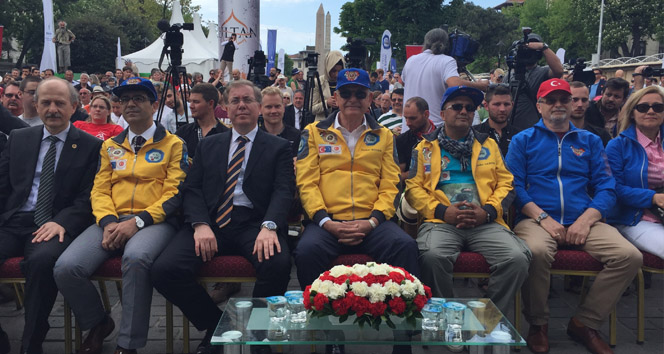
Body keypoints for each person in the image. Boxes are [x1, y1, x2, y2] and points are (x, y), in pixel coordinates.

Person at [152, 79, 294, 354]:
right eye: (235, 101)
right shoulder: (209, 145)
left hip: (254, 223)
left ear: (259, 108)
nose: (241, 105)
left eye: (247, 100)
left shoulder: (278, 147)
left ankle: (257, 333)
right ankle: (219, 324)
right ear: (225, 109)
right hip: (211, 221)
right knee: (164, 270)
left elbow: (283, 190)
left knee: (277, 262)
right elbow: (191, 189)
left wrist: (270, 225)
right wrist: (200, 224)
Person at [505, 79, 642, 354]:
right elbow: (514, 186)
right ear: (539, 106)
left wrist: (587, 218)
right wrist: (543, 218)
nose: (559, 105)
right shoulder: (523, 140)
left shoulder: (590, 140)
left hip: (583, 217)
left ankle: (585, 322)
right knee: (536, 251)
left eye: (564, 100)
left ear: (573, 104)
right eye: (551, 100)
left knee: (629, 256)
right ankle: (538, 324)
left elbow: (606, 185)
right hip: (536, 218)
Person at [54, 77, 188, 354]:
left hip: (154, 221)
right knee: (66, 267)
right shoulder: (110, 146)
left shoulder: (174, 144)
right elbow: (99, 189)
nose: (130, 104)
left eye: (138, 98)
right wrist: (109, 222)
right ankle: (98, 322)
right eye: (124, 100)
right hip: (111, 220)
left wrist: (137, 222)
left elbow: (174, 194)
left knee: (136, 259)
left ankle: (128, 344)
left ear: (153, 105)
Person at [405, 85, 530, 315]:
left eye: (470, 107)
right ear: (442, 114)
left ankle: (485, 319)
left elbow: (507, 184)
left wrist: (489, 212)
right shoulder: (423, 148)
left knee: (517, 258)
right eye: (457, 106)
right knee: (432, 257)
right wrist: (442, 211)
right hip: (441, 222)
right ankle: (446, 319)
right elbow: (413, 188)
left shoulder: (489, 145)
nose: (464, 111)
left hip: (486, 221)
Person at [0, 77, 101, 354]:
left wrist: (62, 222)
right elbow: (3, 185)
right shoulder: (20, 138)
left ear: (74, 107)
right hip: (15, 219)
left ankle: (32, 341)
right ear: (35, 104)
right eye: (45, 102)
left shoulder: (91, 146)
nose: (52, 109)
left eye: (60, 103)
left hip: (56, 222)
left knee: (42, 262)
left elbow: (88, 198)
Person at [294, 67, 420, 289]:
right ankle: (315, 318)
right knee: (306, 252)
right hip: (327, 221)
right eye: (346, 94)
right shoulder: (313, 132)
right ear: (335, 98)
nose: (353, 99)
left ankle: (402, 317)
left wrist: (372, 221)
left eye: (360, 94)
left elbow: (392, 184)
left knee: (405, 246)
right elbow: (306, 183)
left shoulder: (385, 136)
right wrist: (326, 222)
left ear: (370, 98)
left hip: (373, 221)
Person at [606, 86, 664, 258]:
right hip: (635, 218)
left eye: (658, 107)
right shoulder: (617, 146)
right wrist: (653, 198)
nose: (651, 111)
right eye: (643, 107)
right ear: (632, 113)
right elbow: (614, 188)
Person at [402, 28, 488, 132]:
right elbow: (455, 84)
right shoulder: (446, 61)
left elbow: (403, 81)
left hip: (408, 128)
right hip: (433, 130)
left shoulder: (411, 60)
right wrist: (480, 86)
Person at [504, 33, 564, 131]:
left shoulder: (543, 72)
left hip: (534, 128)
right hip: (511, 127)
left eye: (532, 52)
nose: (528, 54)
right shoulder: (510, 75)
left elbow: (559, 71)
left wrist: (543, 47)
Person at [175, 83, 229, 159]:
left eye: (196, 102)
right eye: (190, 101)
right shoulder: (183, 132)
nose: (191, 106)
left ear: (210, 103)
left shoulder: (226, 134)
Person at [473, 84, 520, 157]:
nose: (502, 109)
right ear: (486, 106)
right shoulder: (474, 134)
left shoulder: (520, 136)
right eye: (497, 104)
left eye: (506, 104)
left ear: (512, 105)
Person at [396, 97, 436, 180]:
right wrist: (422, 171)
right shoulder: (401, 140)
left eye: (412, 118)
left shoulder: (441, 137)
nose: (408, 123)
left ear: (426, 114)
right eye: (406, 118)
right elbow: (398, 176)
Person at [260, 86, 301, 157]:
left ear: (283, 108)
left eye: (277, 106)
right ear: (260, 109)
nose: (273, 111)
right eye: (269, 107)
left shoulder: (297, 136)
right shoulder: (254, 138)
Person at [568, 81, 611, 146]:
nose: (580, 104)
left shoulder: (601, 135)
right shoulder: (556, 133)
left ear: (588, 102)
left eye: (584, 100)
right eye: (575, 100)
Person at [311, 50, 345, 121]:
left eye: (340, 71)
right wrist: (327, 103)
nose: (336, 74)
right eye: (333, 71)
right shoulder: (318, 82)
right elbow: (312, 109)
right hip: (322, 124)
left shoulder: (345, 82)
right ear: (328, 68)